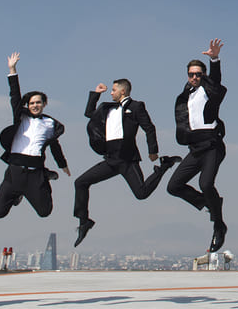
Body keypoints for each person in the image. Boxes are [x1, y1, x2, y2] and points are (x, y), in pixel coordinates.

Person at [73, 78, 177, 247]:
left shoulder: (136, 106)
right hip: (110, 159)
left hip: (127, 159)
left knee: (141, 193)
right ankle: (84, 221)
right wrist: (96, 94)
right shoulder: (107, 108)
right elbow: (89, 113)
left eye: (113, 90)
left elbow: (149, 127)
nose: (111, 93)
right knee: (80, 182)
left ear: (123, 91)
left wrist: (153, 151)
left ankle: (164, 166)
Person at [167, 38, 229, 252]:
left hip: (212, 145)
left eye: (198, 74)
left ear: (204, 75)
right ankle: (210, 203)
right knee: (173, 186)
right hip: (195, 148)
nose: (194, 77)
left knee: (206, 184)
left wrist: (215, 60)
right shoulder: (184, 97)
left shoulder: (208, 90)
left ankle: (219, 226)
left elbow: (216, 82)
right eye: (191, 74)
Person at [0, 52, 70, 219]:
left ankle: (45, 176)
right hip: (15, 171)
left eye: (38, 102)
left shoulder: (50, 124)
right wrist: (12, 70)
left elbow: (54, 145)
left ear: (44, 104)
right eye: (32, 103)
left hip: (35, 173)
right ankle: (16, 195)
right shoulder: (21, 116)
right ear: (28, 105)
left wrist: (62, 164)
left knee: (44, 212)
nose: (35, 105)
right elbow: (14, 95)